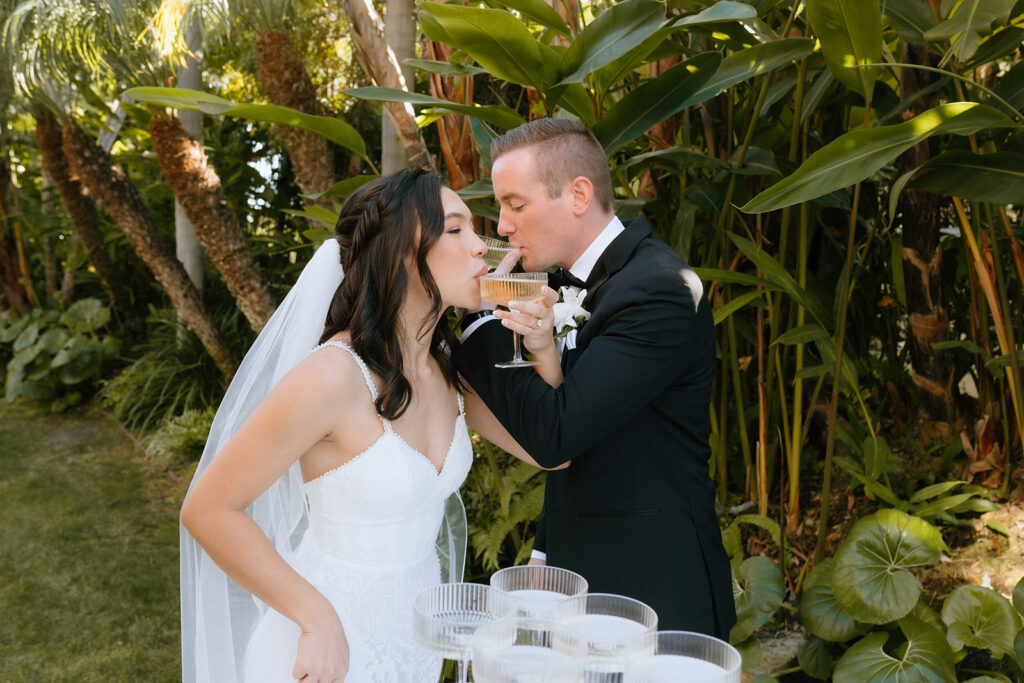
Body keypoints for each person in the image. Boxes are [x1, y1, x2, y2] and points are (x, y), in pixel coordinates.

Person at [179, 169, 562, 683]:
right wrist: (315, 620)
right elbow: (207, 508)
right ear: (403, 250)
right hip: (324, 647)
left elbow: (551, 450)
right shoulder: (332, 377)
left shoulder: (450, 369)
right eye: (456, 230)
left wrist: (542, 351)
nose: (481, 247)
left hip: (415, 643)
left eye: (475, 230)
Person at [454, 119, 736, 637]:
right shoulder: (562, 285)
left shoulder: (660, 290)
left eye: (516, 205)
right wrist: (547, 543)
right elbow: (587, 434)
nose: (502, 227)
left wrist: (478, 316)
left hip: (653, 588)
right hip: (578, 580)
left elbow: (556, 431)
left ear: (579, 194)